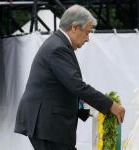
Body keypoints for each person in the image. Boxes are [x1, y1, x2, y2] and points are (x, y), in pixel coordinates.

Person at [14, 4, 125, 150]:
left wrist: (88, 111)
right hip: (47, 125)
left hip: (47, 124)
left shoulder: (58, 44)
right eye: (87, 32)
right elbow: (76, 86)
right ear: (74, 27)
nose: (88, 39)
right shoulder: (58, 48)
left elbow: (62, 89)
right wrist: (110, 105)